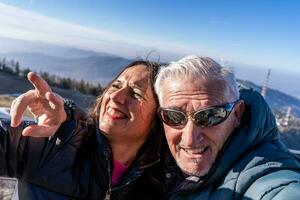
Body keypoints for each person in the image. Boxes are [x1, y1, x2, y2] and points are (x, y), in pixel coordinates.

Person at [0, 60, 165, 199]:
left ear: (158, 119)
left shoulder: (163, 182)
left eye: (135, 94)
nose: (115, 97)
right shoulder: (56, 143)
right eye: (115, 86)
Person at [154, 55, 300, 199]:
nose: (189, 139)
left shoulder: (269, 181)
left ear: (237, 114)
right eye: (174, 116)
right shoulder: (152, 159)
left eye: (209, 115)